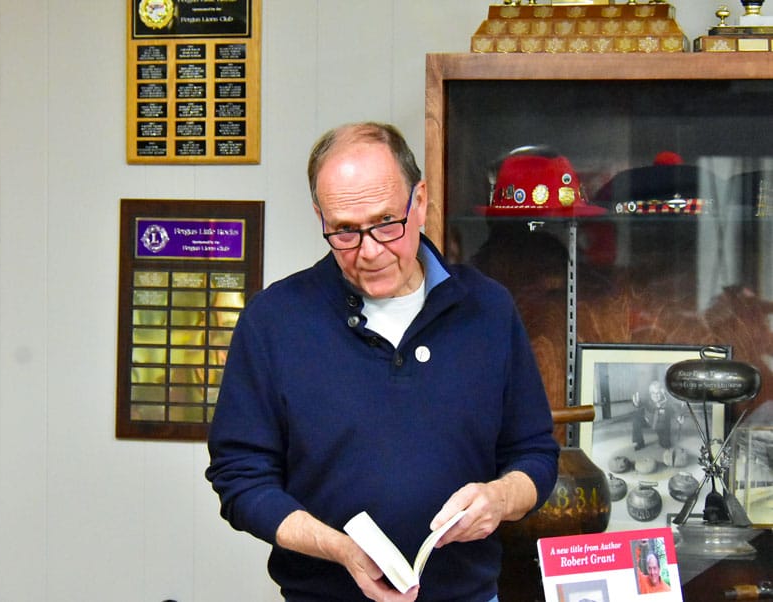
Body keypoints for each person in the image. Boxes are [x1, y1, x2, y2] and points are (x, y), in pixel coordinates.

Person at [205, 122, 559, 602]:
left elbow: (535, 456)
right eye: (345, 232)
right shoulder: (274, 320)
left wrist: (499, 500)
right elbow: (240, 478)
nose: (369, 252)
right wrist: (339, 549)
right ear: (319, 216)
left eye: (386, 223)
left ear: (421, 201)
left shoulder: (487, 310)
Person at [631, 380, 684, 451]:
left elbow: (675, 409)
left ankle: (663, 439)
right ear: (650, 393)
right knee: (636, 418)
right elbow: (639, 403)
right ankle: (639, 442)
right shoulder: (647, 399)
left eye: (658, 392)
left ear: (662, 392)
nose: (656, 395)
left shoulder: (668, 401)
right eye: (653, 393)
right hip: (649, 422)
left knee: (666, 445)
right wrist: (636, 404)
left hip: (663, 425)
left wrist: (679, 417)